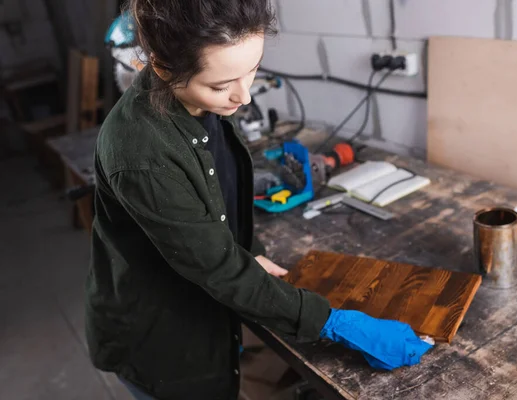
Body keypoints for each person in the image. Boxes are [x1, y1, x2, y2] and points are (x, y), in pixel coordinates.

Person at [85, 1, 433, 399]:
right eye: (221, 85)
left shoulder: (201, 95)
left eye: (252, 70)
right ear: (163, 68)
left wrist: (249, 249)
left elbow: (219, 195)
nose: (244, 96)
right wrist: (335, 324)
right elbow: (218, 272)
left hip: (202, 301)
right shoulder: (142, 156)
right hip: (160, 336)